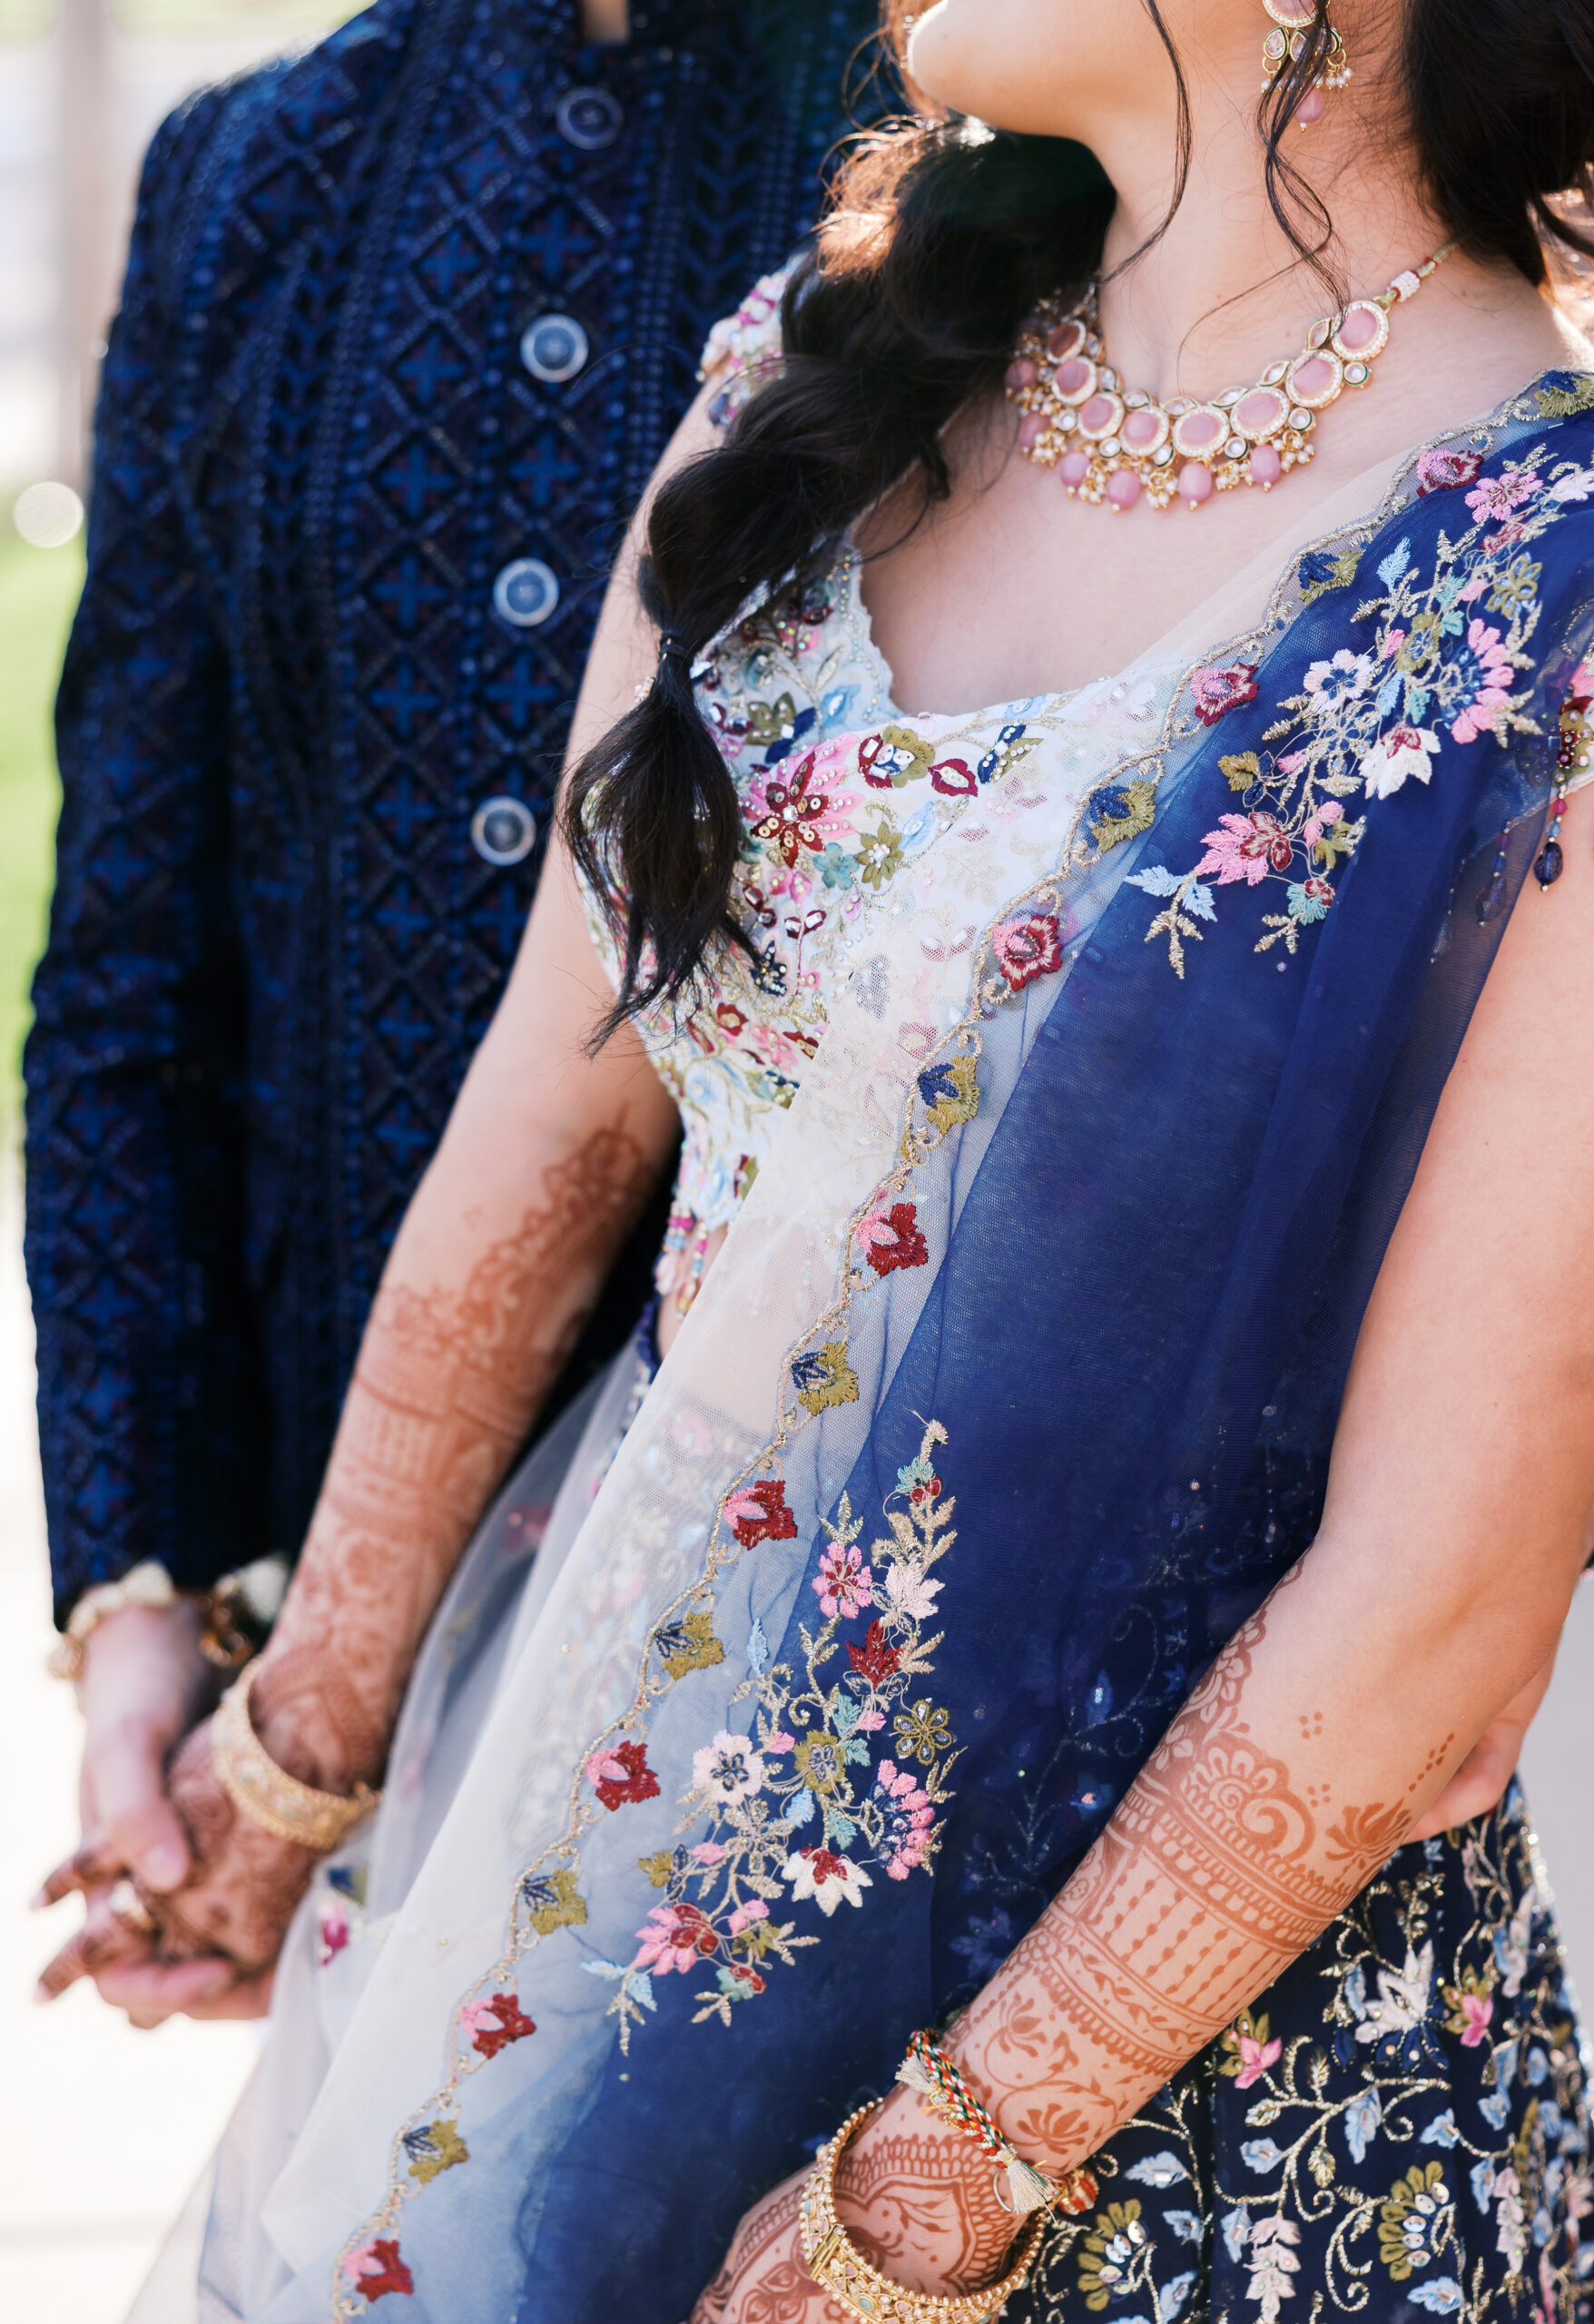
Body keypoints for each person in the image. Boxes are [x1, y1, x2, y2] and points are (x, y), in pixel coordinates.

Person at [34, 0, 1594, 2318]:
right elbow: (545, 1124)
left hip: (1163, 2101)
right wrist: (298, 1749)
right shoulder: (824, 378)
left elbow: (1432, 1609)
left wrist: (928, 2197)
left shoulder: (1550, 577)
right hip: (572, 1890)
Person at [23, 0, 883, 2024]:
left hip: (815, 1636)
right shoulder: (249, 178)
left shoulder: (963, 152)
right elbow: (138, 967)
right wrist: (153, 1592)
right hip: (359, 1669)